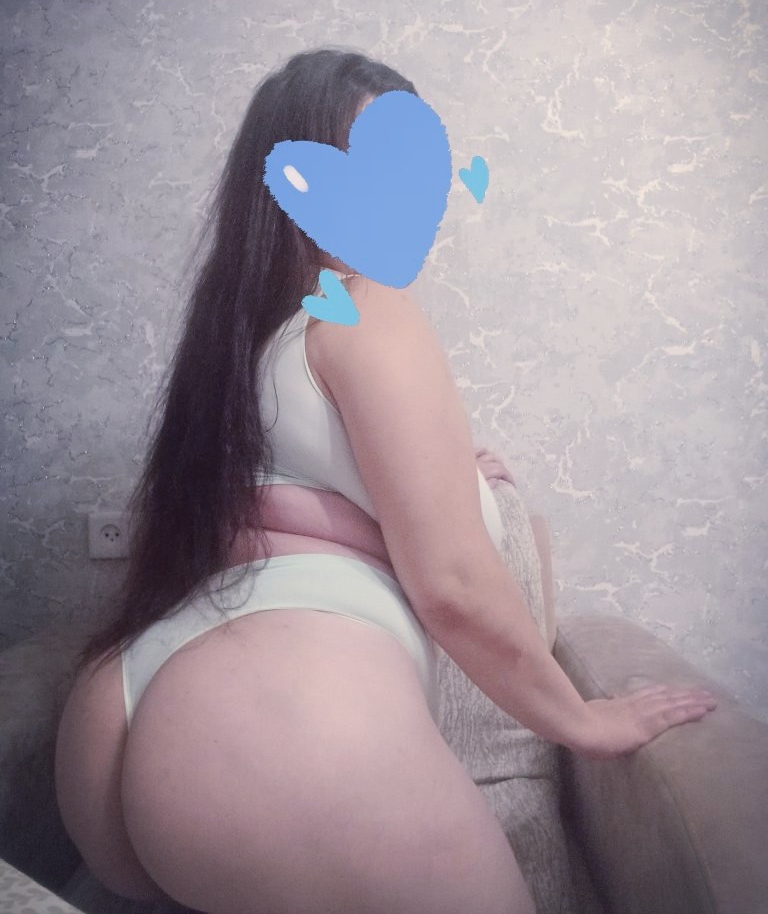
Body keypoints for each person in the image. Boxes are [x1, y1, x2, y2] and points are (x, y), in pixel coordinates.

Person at [54, 48, 718, 914]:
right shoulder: (364, 307)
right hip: (289, 723)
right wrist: (583, 720)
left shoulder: (245, 346)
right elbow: (452, 582)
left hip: (126, 709)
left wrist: (450, 475)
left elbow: (283, 517)